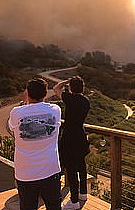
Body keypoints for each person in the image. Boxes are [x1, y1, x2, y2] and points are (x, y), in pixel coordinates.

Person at [8, 78, 62, 210]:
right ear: (45, 94)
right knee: (54, 206)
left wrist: (24, 103)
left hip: (25, 173)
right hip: (50, 169)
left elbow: (11, 128)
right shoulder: (55, 110)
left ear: (27, 93)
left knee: (27, 207)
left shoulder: (17, 112)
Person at [53, 76, 90, 210]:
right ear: (82, 88)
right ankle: (83, 193)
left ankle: (74, 201)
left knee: (71, 168)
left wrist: (65, 82)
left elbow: (56, 88)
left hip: (69, 137)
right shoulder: (86, 101)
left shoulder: (69, 99)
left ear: (71, 87)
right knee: (81, 165)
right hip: (81, 135)